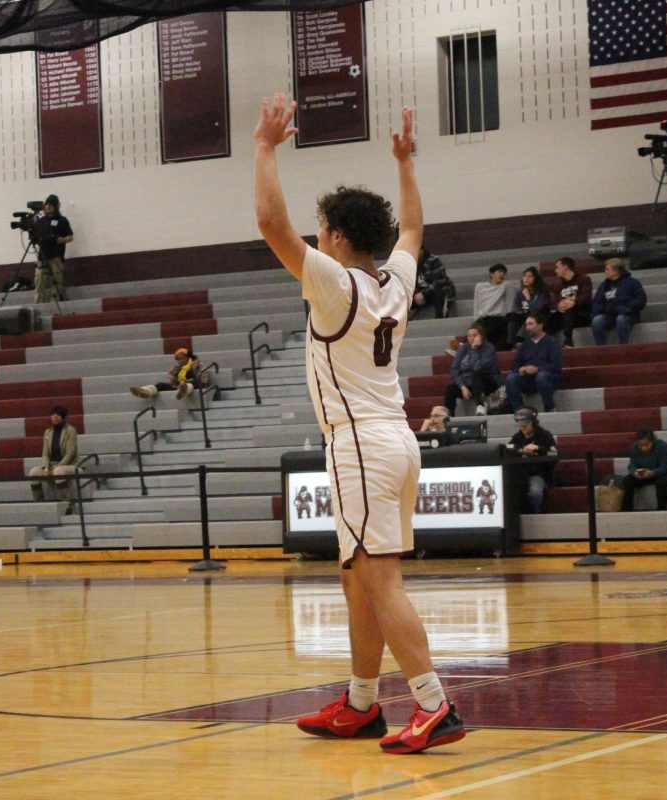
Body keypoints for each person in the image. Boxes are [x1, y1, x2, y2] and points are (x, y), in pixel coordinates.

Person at [254, 94, 464, 754]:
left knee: (380, 581)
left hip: (361, 448)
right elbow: (413, 234)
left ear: (339, 239)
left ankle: (434, 704)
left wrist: (263, 149)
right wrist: (404, 164)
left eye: (322, 229)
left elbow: (269, 224)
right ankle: (362, 703)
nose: (316, 236)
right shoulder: (393, 282)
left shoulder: (335, 284)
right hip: (398, 442)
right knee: (358, 577)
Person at [505, 406, 558, 513]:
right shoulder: (517, 437)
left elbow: (555, 455)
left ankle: (533, 513)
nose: (523, 427)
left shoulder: (544, 435)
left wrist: (539, 449)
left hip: (539, 474)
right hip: (521, 474)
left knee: (535, 492)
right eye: (520, 424)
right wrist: (520, 451)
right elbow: (508, 451)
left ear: (533, 422)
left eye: (526, 424)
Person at [506, 313, 562, 413]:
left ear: (540, 325)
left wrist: (537, 369)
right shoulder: (524, 345)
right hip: (528, 379)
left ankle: (550, 408)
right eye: (526, 325)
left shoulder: (552, 343)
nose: (527, 327)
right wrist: (520, 369)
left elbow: (556, 366)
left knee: (542, 376)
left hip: (548, 378)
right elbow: (515, 366)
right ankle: (519, 410)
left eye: (531, 324)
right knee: (511, 378)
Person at [444, 323, 501, 416]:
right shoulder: (463, 348)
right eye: (469, 336)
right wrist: (462, 387)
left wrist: (474, 349)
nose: (471, 338)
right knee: (450, 389)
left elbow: (477, 368)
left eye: (475, 335)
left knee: (477, 375)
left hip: (486, 383)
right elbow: (454, 369)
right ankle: (448, 416)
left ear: (481, 336)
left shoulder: (489, 348)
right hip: (468, 384)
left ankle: (480, 406)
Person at [621, 427, 667, 511]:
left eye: (646, 445)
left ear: (653, 441)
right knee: (627, 481)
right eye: (641, 445)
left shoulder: (662, 446)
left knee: (661, 483)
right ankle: (627, 509)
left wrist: (653, 472)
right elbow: (632, 464)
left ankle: (662, 509)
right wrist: (635, 473)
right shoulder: (634, 448)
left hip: (666, 473)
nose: (643, 448)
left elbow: (666, 466)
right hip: (646, 474)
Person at [590, 258, 647, 345]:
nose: (605, 272)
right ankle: (601, 346)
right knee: (597, 321)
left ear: (616, 271)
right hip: (609, 315)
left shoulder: (632, 283)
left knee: (621, 319)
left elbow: (640, 300)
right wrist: (602, 310)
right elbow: (597, 302)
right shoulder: (604, 285)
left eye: (607, 269)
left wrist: (624, 308)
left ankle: (623, 346)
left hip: (628, 314)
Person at [29, 405, 78, 504]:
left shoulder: (70, 430)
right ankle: (38, 502)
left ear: (64, 417)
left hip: (70, 465)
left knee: (58, 471)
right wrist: (46, 467)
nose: (55, 417)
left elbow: (70, 454)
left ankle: (66, 502)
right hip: (53, 465)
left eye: (58, 415)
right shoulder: (47, 432)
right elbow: (45, 453)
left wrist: (56, 467)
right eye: (53, 414)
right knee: (33, 472)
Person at [35, 194, 74, 303]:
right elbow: (36, 238)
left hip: (56, 256)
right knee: (39, 281)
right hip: (42, 256)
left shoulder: (62, 220)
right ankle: (39, 303)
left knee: (56, 282)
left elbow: (70, 237)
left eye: (51, 205)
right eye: (46, 205)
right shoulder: (40, 221)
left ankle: (55, 304)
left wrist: (62, 240)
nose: (48, 207)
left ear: (56, 206)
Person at [130, 348, 210, 400]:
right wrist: (175, 383)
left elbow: (204, 379)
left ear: (188, 357)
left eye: (182, 358)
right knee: (160, 385)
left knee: (192, 383)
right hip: (179, 386)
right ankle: (146, 391)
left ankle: (184, 390)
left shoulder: (197, 364)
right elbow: (172, 382)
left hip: (197, 384)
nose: (180, 361)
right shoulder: (176, 369)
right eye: (178, 359)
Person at [547, 257, 592, 348]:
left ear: (565, 267)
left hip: (581, 313)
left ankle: (568, 340)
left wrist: (574, 301)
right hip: (564, 314)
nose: (556, 270)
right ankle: (545, 345)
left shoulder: (584, 279)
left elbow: (586, 296)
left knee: (569, 311)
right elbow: (554, 301)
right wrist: (558, 305)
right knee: (546, 318)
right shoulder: (558, 285)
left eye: (557, 267)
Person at [506, 266, 549, 345]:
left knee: (529, 320)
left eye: (530, 276)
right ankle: (511, 344)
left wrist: (528, 298)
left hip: (540, 316)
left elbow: (537, 309)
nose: (526, 278)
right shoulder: (520, 293)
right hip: (525, 315)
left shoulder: (540, 292)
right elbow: (517, 309)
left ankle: (521, 341)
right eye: (525, 276)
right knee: (512, 318)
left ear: (535, 279)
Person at [472, 263, 512, 348]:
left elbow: (510, 303)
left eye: (504, 273)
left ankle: (475, 345)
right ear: (491, 274)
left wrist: (509, 317)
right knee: (474, 329)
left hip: (497, 317)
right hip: (483, 318)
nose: (502, 274)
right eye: (500, 272)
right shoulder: (480, 286)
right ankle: (463, 347)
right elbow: (477, 304)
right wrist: (476, 319)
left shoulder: (506, 285)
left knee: (491, 328)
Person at [411, 246, 455, 320]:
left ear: (421, 250)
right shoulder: (411, 263)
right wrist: (416, 295)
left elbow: (440, 281)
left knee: (439, 293)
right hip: (423, 294)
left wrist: (424, 294)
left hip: (441, 291)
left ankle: (440, 319)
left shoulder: (433, 260)